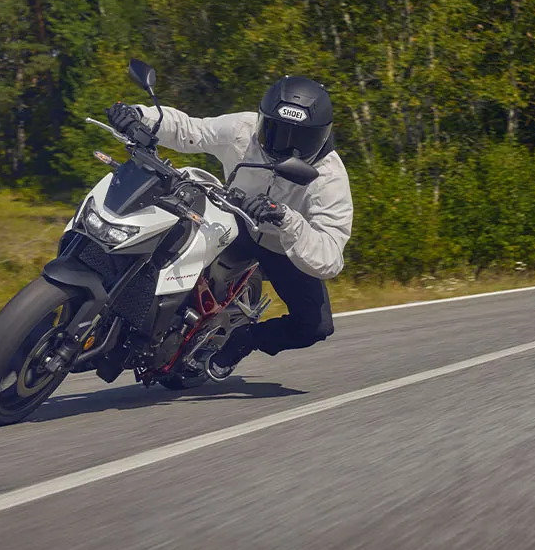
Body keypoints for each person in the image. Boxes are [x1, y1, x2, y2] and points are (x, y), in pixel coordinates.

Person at [104, 75, 353, 378]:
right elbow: (191, 130)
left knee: (316, 326)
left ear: (322, 137)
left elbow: (331, 253)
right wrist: (139, 115)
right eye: (276, 130)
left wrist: (286, 219)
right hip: (231, 217)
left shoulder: (329, 177)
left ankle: (244, 340)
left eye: (299, 139)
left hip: (284, 244)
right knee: (161, 238)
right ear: (263, 120)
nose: (285, 145)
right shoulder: (243, 130)